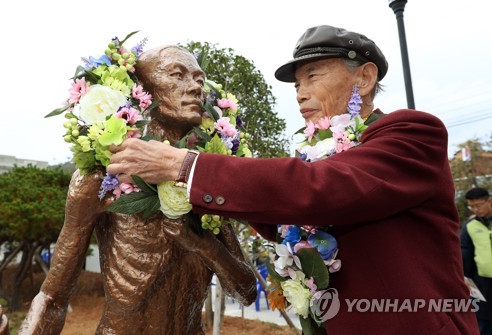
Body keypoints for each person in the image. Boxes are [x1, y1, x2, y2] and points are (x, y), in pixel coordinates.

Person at [107, 25, 480, 334]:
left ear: (364, 78)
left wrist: (185, 166)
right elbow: (282, 215)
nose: (300, 93)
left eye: (312, 76)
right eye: (296, 84)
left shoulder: (412, 133)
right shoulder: (321, 153)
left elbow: (318, 189)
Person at [19, 45, 256, 335]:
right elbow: (53, 298)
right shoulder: (100, 179)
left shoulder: (206, 181)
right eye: (177, 75)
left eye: (199, 79)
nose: (194, 86)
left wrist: (206, 245)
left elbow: (247, 292)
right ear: (142, 91)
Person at [461, 187, 492, 334]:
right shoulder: (469, 226)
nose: (475, 210)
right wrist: (465, 276)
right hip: (483, 280)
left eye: (478, 205)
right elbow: (465, 252)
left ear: (489, 201)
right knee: (485, 318)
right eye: (471, 206)